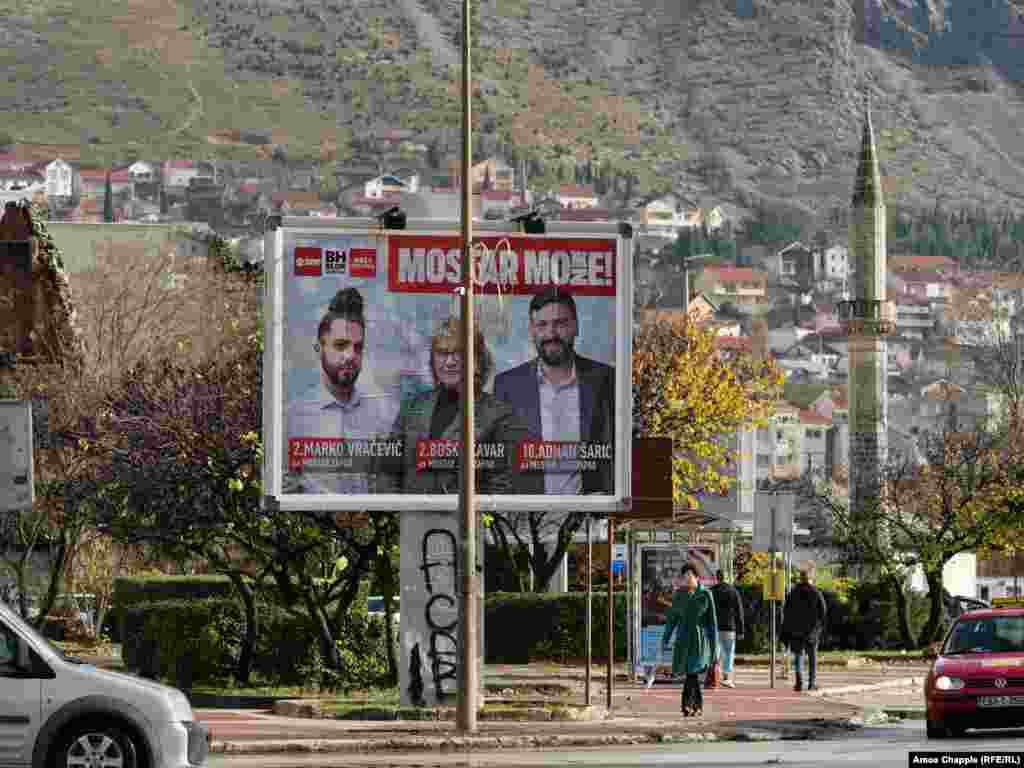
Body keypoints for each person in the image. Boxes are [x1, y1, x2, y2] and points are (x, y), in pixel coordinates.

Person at [382, 316, 530, 494]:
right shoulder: (412, 407)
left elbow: (505, 488)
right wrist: (397, 515)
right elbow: (388, 472)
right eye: (443, 353)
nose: (449, 362)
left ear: (477, 360)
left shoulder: (500, 415)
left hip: (467, 520)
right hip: (413, 519)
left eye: (459, 353)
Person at [493, 287, 615, 494]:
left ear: (576, 326)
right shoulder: (507, 386)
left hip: (590, 517)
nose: (551, 333)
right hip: (526, 519)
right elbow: (499, 461)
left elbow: (619, 452)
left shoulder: (606, 380)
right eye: (542, 325)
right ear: (532, 331)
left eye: (560, 323)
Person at [284, 287, 400, 493]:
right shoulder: (293, 416)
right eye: (340, 345)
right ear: (319, 347)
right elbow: (286, 487)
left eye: (357, 347)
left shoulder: (384, 414)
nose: (350, 355)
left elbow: (390, 482)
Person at [661, 562, 719, 717]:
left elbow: (712, 624)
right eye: (684, 577)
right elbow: (671, 620)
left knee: (692, 673)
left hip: (699, 641)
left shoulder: (706, 595)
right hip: (683, 640)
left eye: (689, 576)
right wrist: (665, 639)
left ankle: (688, 705)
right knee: (690, 673)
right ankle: (695, 706)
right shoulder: (679, 595)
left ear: (696, 577)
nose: (686, 580)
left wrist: (715, 648)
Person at [780, 567, 828, 692]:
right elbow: (823, 612)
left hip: (796, 631)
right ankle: (811, 683)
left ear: (800, 578)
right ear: (810, 578)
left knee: (798, 657)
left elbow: (786, 611)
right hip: (811, 632)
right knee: (812, 658)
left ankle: (799, 682)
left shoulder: (793, 593)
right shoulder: (816, 592)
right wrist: (819, 627)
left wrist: (788, 628)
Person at [710, 569, 745, 688]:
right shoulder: (733, 591)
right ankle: (726, 677)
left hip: (714, 626)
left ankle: (713, 677)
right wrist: (740, 630)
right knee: (729, 652)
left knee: (716, 652)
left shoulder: (711, 591)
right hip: (730, 627)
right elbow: (739, 612)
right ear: (726, 577)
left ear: (717, 577)